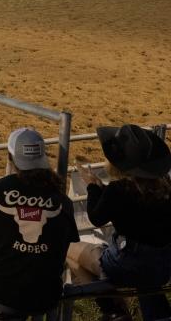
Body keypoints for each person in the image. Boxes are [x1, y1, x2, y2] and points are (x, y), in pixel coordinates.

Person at [0, 128, 79, 316]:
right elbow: (63, 246)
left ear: (10, 157)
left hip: (1, 293)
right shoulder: (63, 202)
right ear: (42, 158)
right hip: (46, 296)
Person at [67, 124, 171, 321]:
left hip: (126, 264)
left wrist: (92, 187)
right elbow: (139, 209)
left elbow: (96, 218)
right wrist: (101, 189)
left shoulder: (118, 189)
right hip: (163, 267)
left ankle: (114, 311)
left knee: (70, 250)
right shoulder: (165, 187)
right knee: (147, 277)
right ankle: (158, 316)